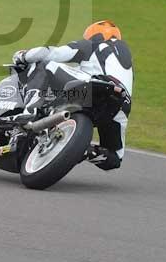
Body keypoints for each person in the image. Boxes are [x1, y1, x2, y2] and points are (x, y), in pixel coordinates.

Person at [11, 20, 134, 171]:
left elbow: (51, 53)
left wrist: (23, 56)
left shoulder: (95, 45)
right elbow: (114, 161)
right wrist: (77, 148)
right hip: (120, 104)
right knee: (115, 156)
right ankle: (87, 151)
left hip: (94, 87)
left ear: (94, 34)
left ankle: (30, 111)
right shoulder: (124, 59)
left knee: (44, 64)